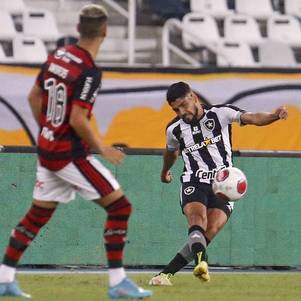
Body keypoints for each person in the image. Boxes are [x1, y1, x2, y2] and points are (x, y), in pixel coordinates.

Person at [0, 4, 152, 299]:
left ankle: (4, 278)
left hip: (47, 148)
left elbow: (34, 97)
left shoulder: (56, 56)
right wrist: (102, 148)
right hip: (69, 154)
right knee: (120, 208)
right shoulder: (89, 71)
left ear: (79, 29)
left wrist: (46, 129)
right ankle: (117, 282)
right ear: (105, 32)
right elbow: (77, 118)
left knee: (37, 216)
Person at [149, 81, 288, 286]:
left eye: (183, 106)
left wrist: (274, 116)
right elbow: (171, 152)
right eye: (175, 109)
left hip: (224, 184)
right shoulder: (174, 129)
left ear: (194, 97)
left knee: (208, 232)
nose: (181, 112)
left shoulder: (220, 113)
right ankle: (202, 261)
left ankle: (163, 276)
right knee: (197, 219)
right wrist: (164, 171)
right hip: (194, 180)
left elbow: (252, 118)